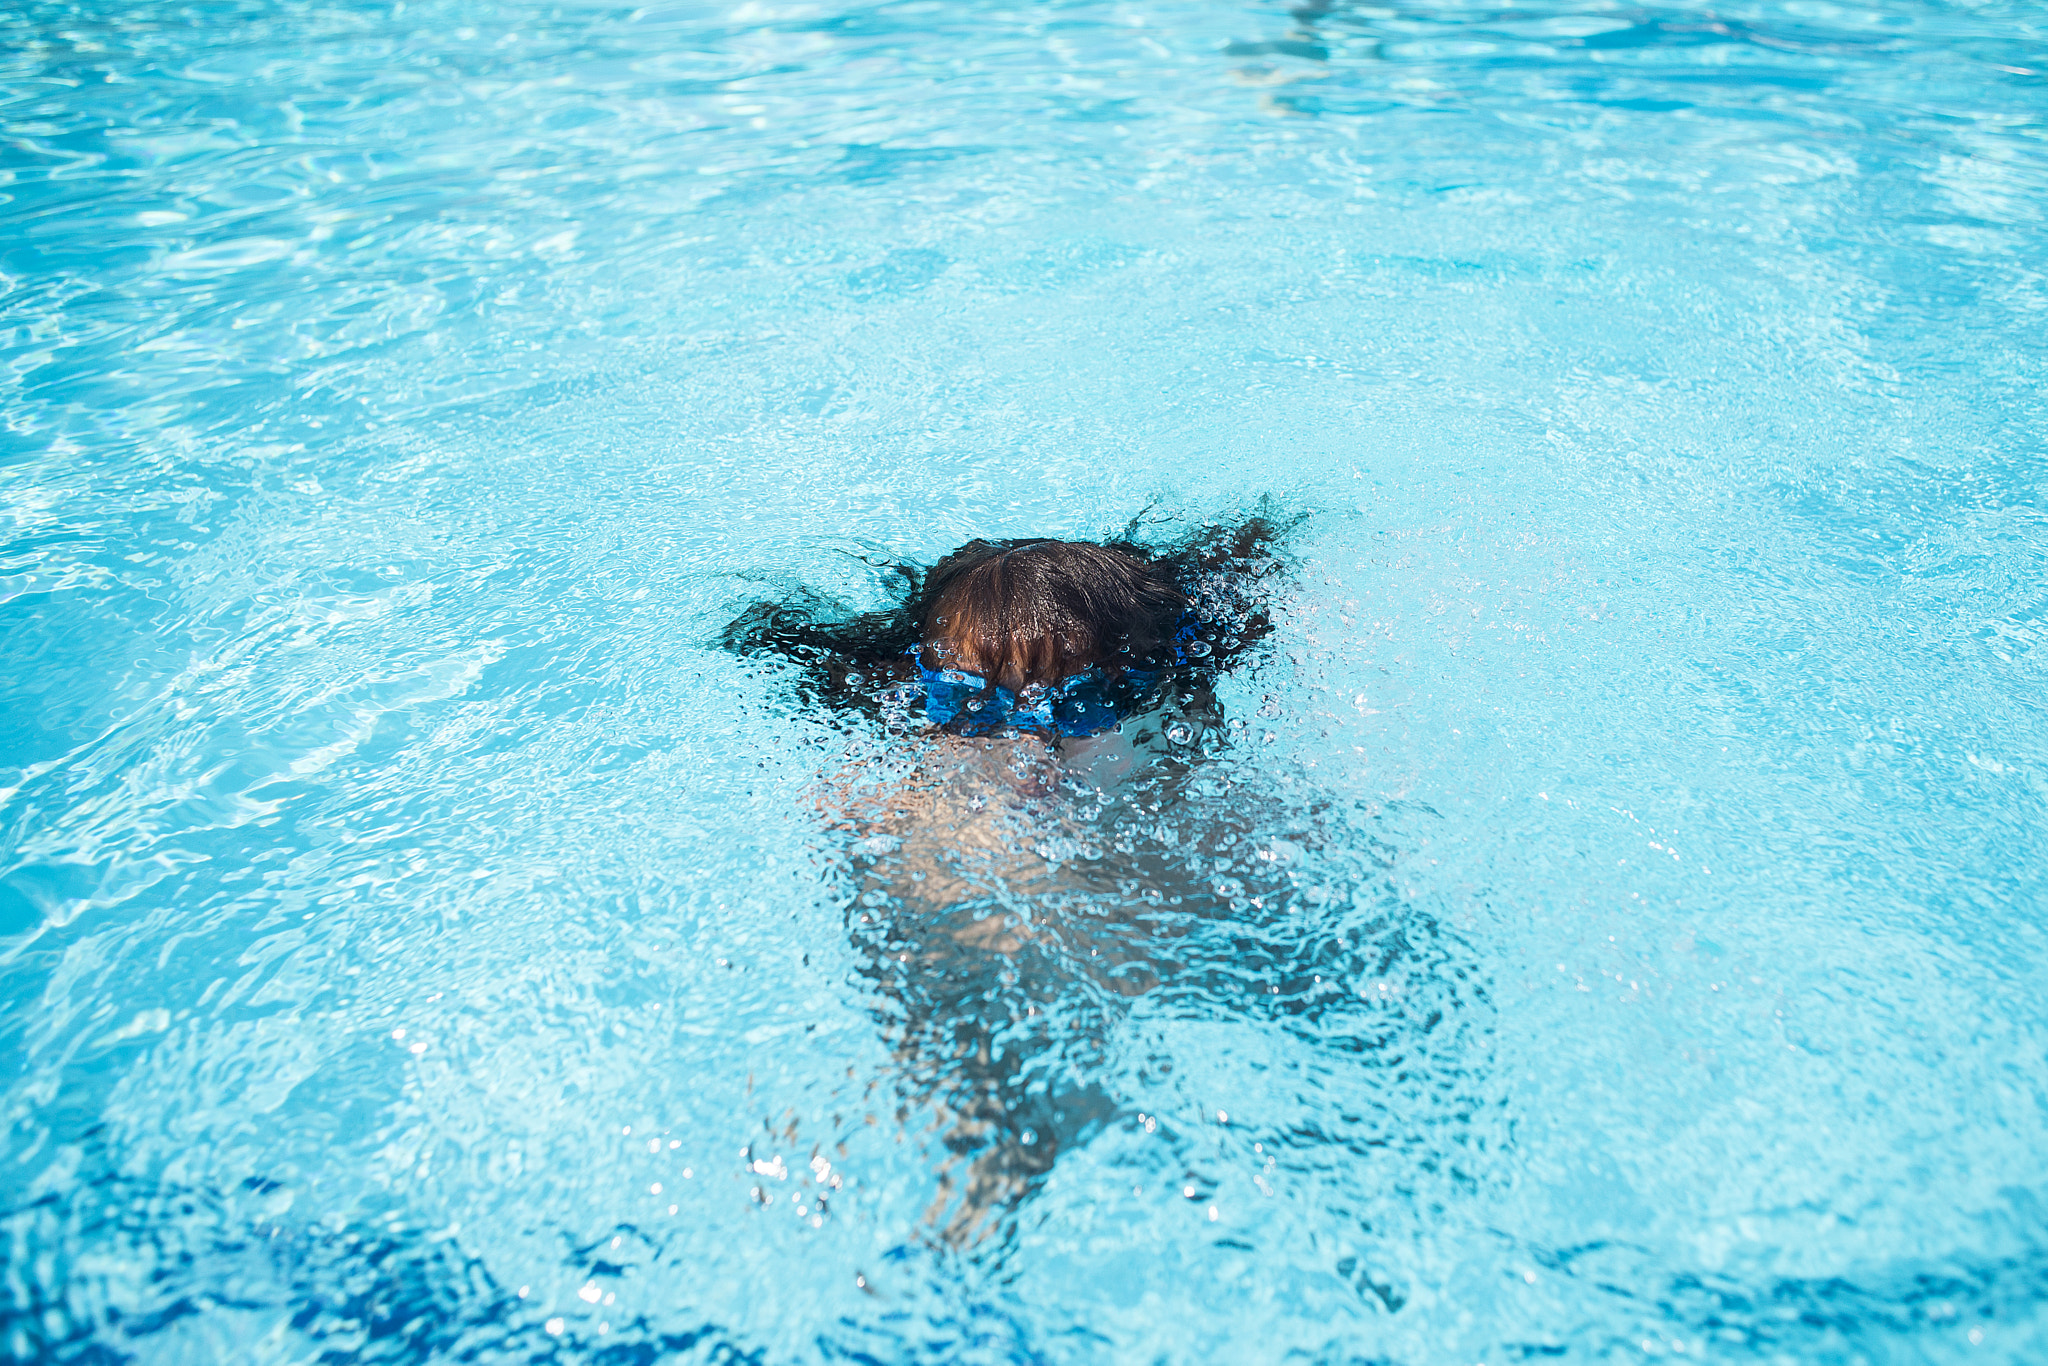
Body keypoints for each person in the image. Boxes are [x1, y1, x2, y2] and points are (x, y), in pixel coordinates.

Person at [722, 510, 1401, 1246]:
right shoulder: (883, 814)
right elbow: (902, 990)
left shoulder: (1239, 834)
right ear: (926, 700)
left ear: (1158, 702)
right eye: (973, 706)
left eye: (1077, 708)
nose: (1026, 755)